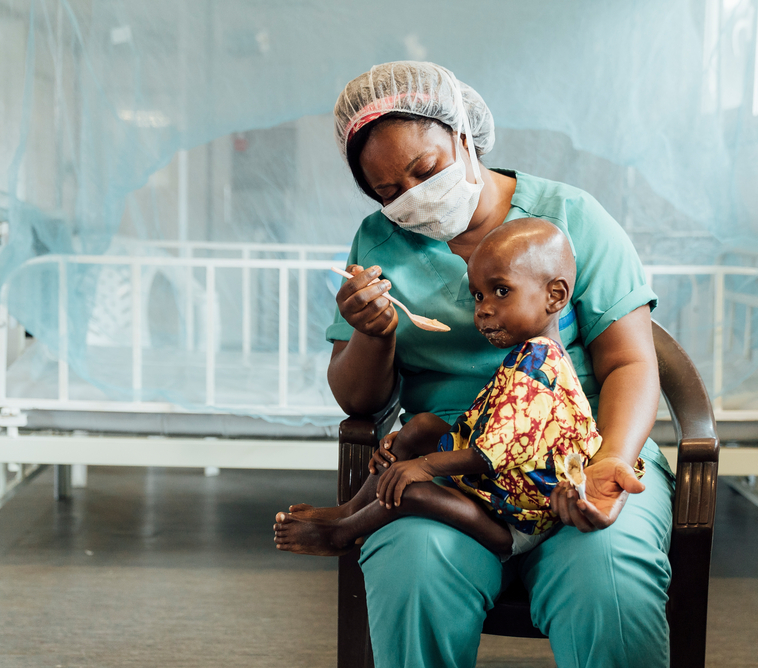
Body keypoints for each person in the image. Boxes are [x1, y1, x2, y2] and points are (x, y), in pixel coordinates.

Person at [279, 61, 674, 668]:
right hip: (451, 468)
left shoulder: (571, 219)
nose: (412, 198)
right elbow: (359, 402)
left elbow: (629, 362)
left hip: (582, 449)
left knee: (608, 576)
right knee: (414, 571)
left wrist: (612, 460)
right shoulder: (379, 243)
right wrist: (372, 335)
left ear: (464, 135)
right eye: (388, 193)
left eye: (427, 171)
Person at [274, 218, 634, 560]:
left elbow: (491, 452)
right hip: (505, 482)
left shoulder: (540, 368)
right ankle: (348, 509)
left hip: (520, 517)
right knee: (421, 427)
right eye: (478, 296)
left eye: (501, 291)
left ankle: (343, 533)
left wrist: (425, 466)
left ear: (555, 296)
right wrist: (407, 445)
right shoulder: (529, 353)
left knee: (411, 489)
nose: (483, 311)